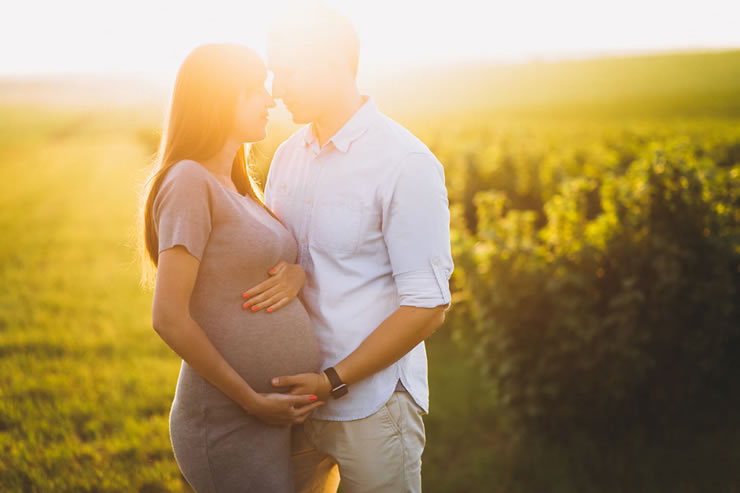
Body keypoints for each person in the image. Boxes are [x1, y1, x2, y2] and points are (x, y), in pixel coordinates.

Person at [240, 2, 454, 491]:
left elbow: (427, 307)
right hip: (292, 403)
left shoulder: (405, 163)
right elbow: (285, 257)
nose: (276, 89)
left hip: (372, 408)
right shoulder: (288, 157)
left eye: (287, 71)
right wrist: (293, 270)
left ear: (334, 62)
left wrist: (332, 380)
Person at [140, 43, 325, 492]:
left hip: (279, 416)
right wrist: (251, 401)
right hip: (229, 418)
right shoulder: (189, 181)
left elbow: (264, 262)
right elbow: (168, 317)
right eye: (255, 89)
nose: (271, 100)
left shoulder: (240, 188)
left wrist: (297, 275)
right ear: (219, 99)